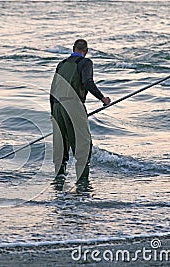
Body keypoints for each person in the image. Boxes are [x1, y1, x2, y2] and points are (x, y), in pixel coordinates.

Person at [50, 39, 110, 188]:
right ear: (86, 51)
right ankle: (82, 186)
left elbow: (52, 89)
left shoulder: (61, 64)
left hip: (57, 106)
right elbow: (87, 82)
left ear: (73, 49)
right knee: (83, 145)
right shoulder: (85, 63)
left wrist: (53, 113)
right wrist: (102, 98)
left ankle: (59, 185)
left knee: (61, 147)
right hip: (73, 104)